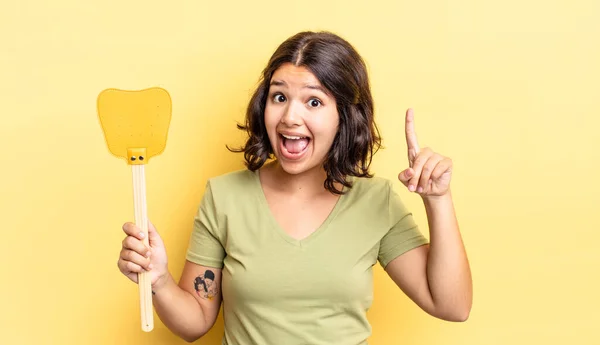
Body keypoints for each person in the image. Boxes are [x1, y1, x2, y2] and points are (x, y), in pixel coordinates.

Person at [117, 30, 472, 344]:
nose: (289, 117)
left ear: (344, 116)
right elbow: (194, 323)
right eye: (279, 97)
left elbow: (452, 306)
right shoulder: (224, 197)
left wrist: (438, 199)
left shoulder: (375, 201)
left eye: (314, 101)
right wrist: (159, 280)